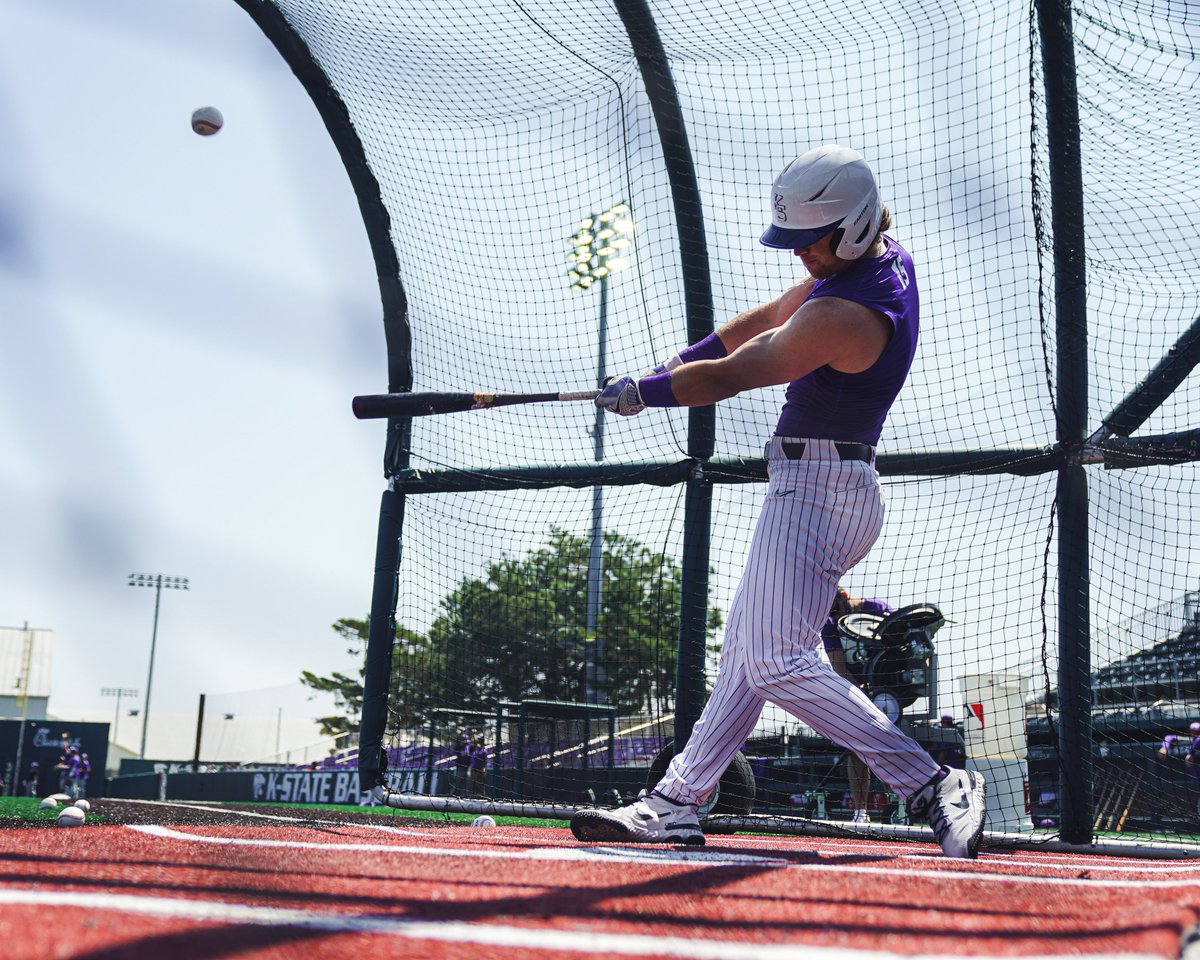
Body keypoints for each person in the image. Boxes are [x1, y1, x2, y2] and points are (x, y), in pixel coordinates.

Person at [570, 144, 986, 858]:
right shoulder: (874, 261)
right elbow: (754, 323)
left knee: (772, 660)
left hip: (820, 491)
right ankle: (676, 800)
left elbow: (740, 370)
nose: (801, 257)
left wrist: (648, 394)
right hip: (819, 485)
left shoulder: (852, 310)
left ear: (851, 227)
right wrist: (662, 367)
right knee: (745, 658)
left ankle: (931, 782)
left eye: (809, 243)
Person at [823, 586, 893, 824]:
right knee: (856, 747)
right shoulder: (831, 626)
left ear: (843, 596)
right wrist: (861, 694)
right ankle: (860, 811)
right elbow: (839, 668)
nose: (834, 615)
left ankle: (897, 804)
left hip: (888, 693)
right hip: (859, 693)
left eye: (835, 608)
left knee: (892, 746)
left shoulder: (878, 609)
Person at [451, 729, 471, 795]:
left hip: (467, 768)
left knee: (466, 785)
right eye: (462, 741)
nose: (464, 742)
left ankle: (464, 797)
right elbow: (457, 742)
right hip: (460, 768)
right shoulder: (458, 748)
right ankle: (452, 796)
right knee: (457, 784)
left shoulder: (468, 747)